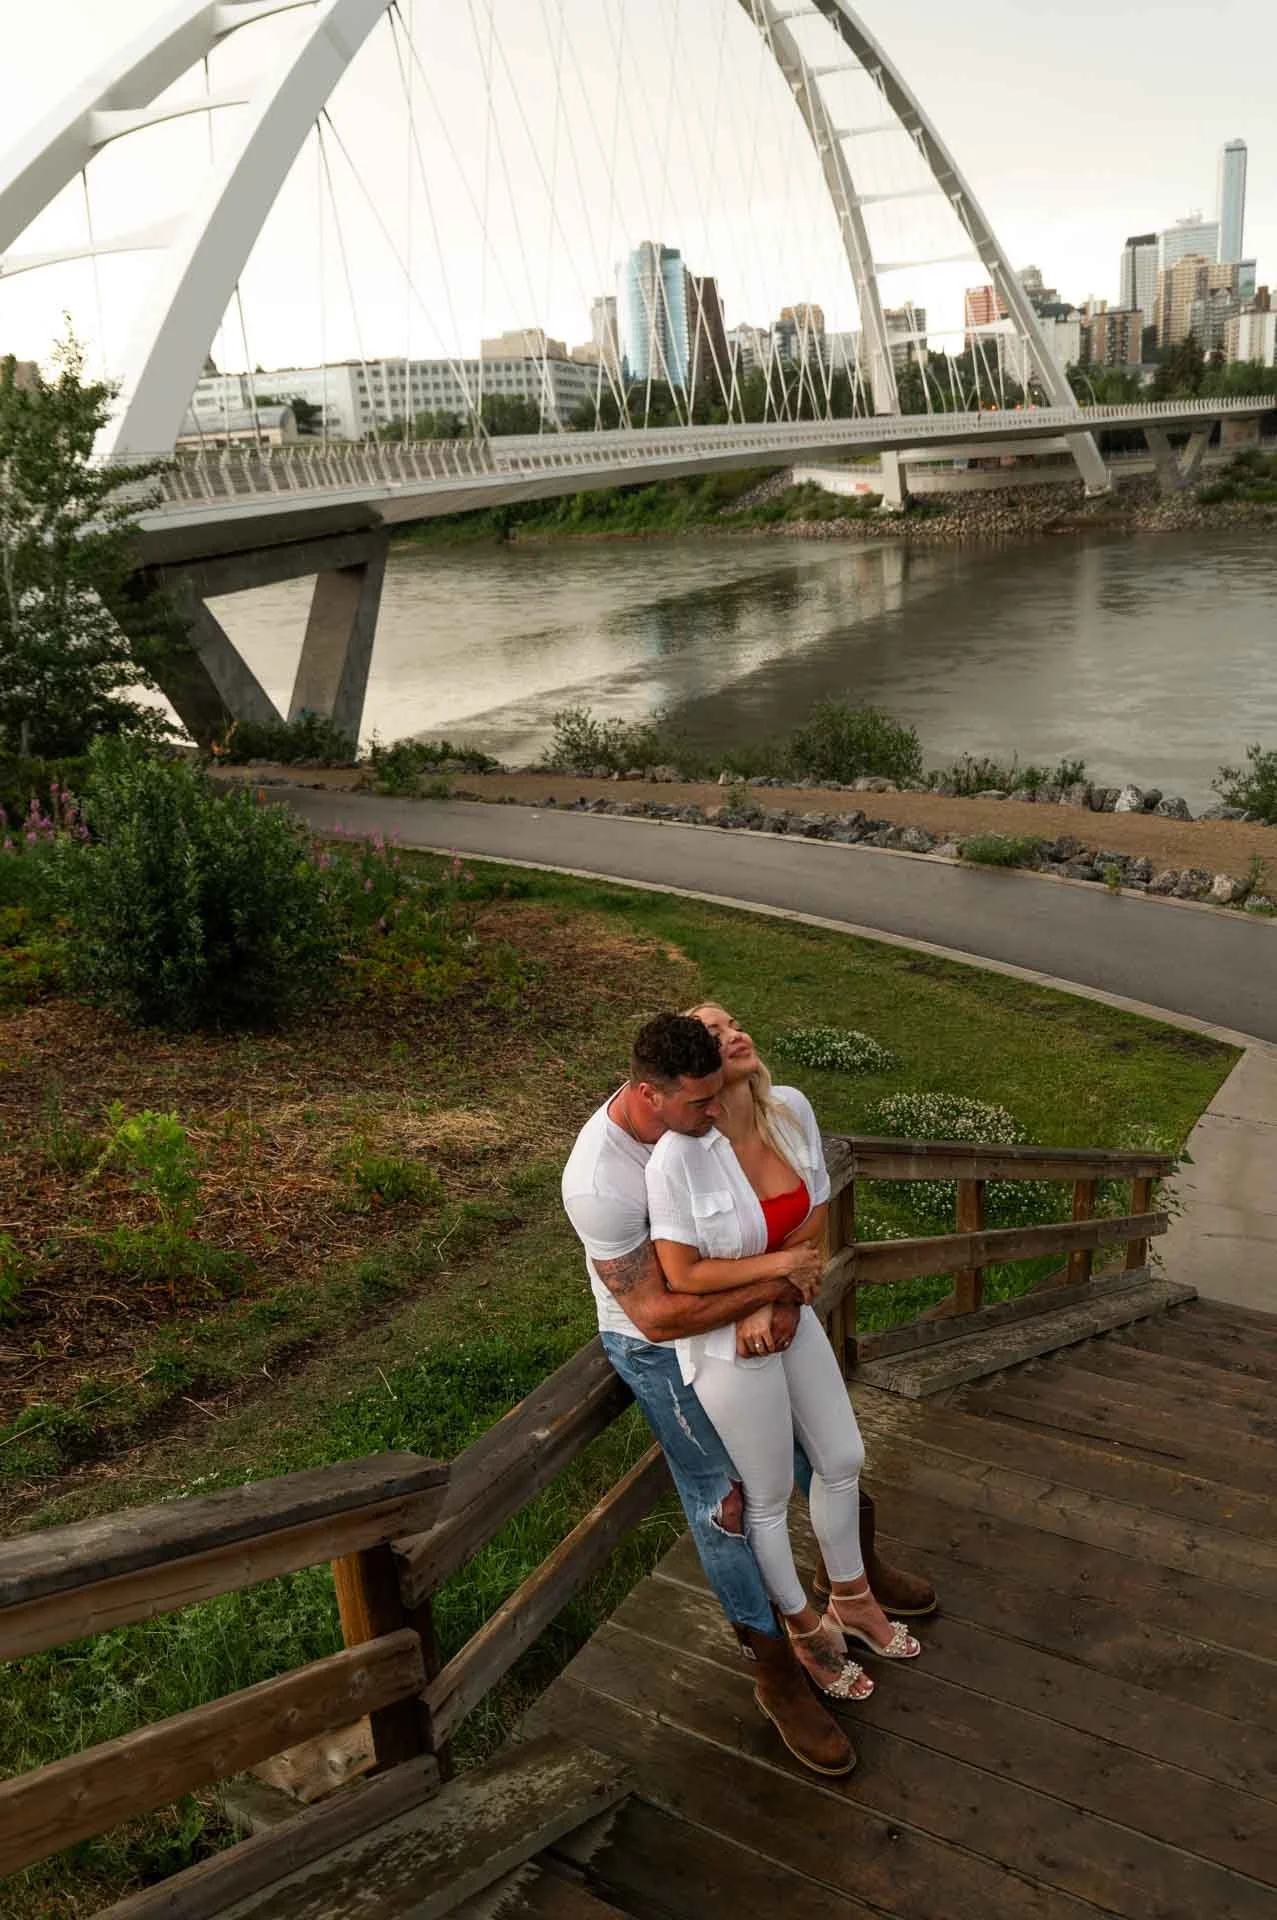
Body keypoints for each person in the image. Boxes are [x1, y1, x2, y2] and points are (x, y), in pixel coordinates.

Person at [561, 1012, 936, 1778]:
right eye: (698, 1104)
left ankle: (850, 1583)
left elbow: (785, 1238)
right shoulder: (605, 1177)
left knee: (825, 1453)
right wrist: (771, 1290)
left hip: (755, 1308)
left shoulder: (712, 1117)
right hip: (659, 1344)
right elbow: (660, 1308)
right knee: (725, 1501)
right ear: (650, 1095)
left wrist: (785, 1297)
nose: (708, 1116)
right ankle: (778, 1667)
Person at [645, 1004, 923, 1705]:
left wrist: (776, 1296)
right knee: (766, 1498)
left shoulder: (790, 1109)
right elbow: (680, 1273)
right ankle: (802, 1635)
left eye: (734, 1022)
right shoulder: (680, 1156)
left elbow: (815, 1215)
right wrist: (763, 1290)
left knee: (841, 1457)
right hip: (724, 1346)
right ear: (696, 1066)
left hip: (786, 1317)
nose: (735, 1033)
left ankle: (852, 1598)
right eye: (713, 1034)